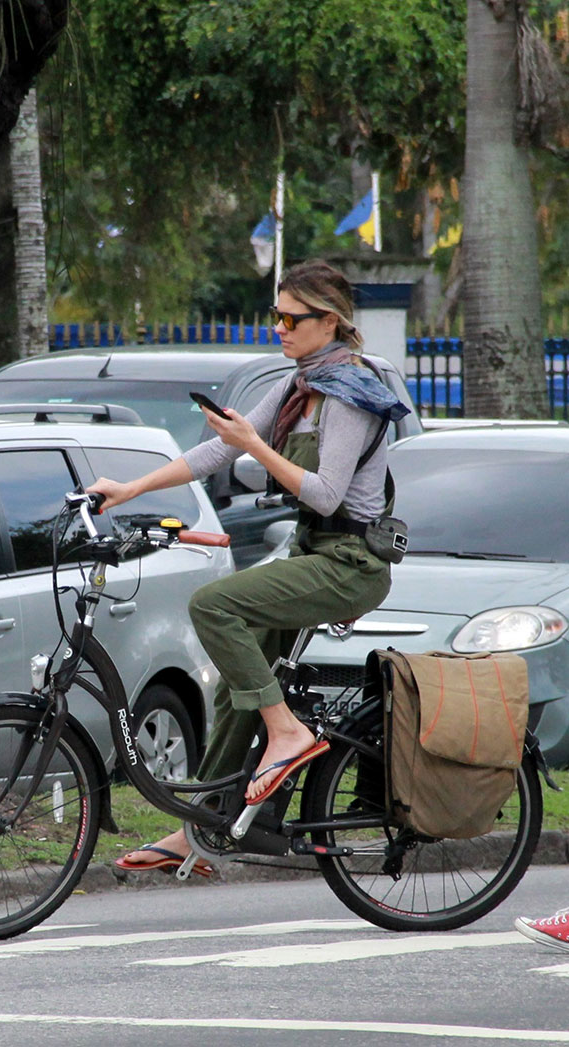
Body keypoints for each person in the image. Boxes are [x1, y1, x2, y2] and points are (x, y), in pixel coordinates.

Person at [86, 259, 409, 876]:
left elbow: (323, 494)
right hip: (314, 553)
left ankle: (287, 735)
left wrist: (256, 446)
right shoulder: (299, 384)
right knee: (243, 688)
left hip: (350, 562)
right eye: (276, 317)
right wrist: (130, 488)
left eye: (292, 319)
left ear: (330, 322)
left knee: (214, 605)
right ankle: (201, 829)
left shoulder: (353, 394)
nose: (280, 330)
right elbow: (216, 451)